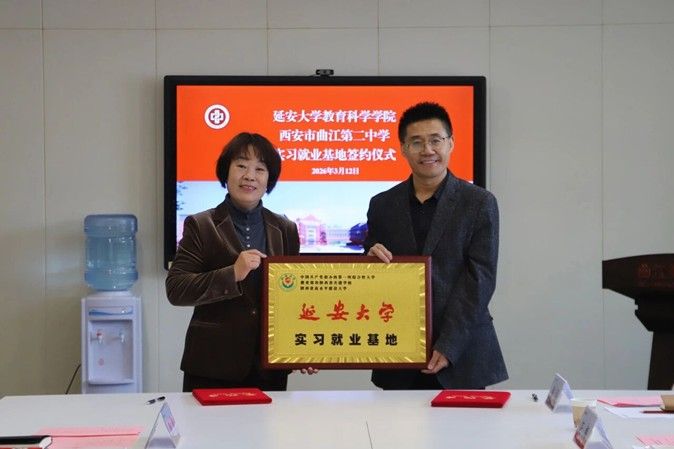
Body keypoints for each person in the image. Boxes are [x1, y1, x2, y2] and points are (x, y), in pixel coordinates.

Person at [364, 102, 508, 390]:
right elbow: (371, 267)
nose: (427, 150)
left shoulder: (479, 203)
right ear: (403, 149)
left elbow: (480, 279)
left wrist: (450, 343)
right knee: (398, 422)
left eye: (435, 140)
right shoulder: (382, 204)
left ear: (450, 143)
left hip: (462, 352)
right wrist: (369, 259)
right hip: (398, 350)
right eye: (416, 142)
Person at [167, 132, 308, 392]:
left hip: (268, 366)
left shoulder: (285, 228)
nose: (250, 176)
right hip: (212, 364)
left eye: (260, 169)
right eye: (241, 165)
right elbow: (176, 289)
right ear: (226, 172)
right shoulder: (201, 225)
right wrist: (232, 273)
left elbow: (293, 296)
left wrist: (302, 346)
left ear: (269, 179)